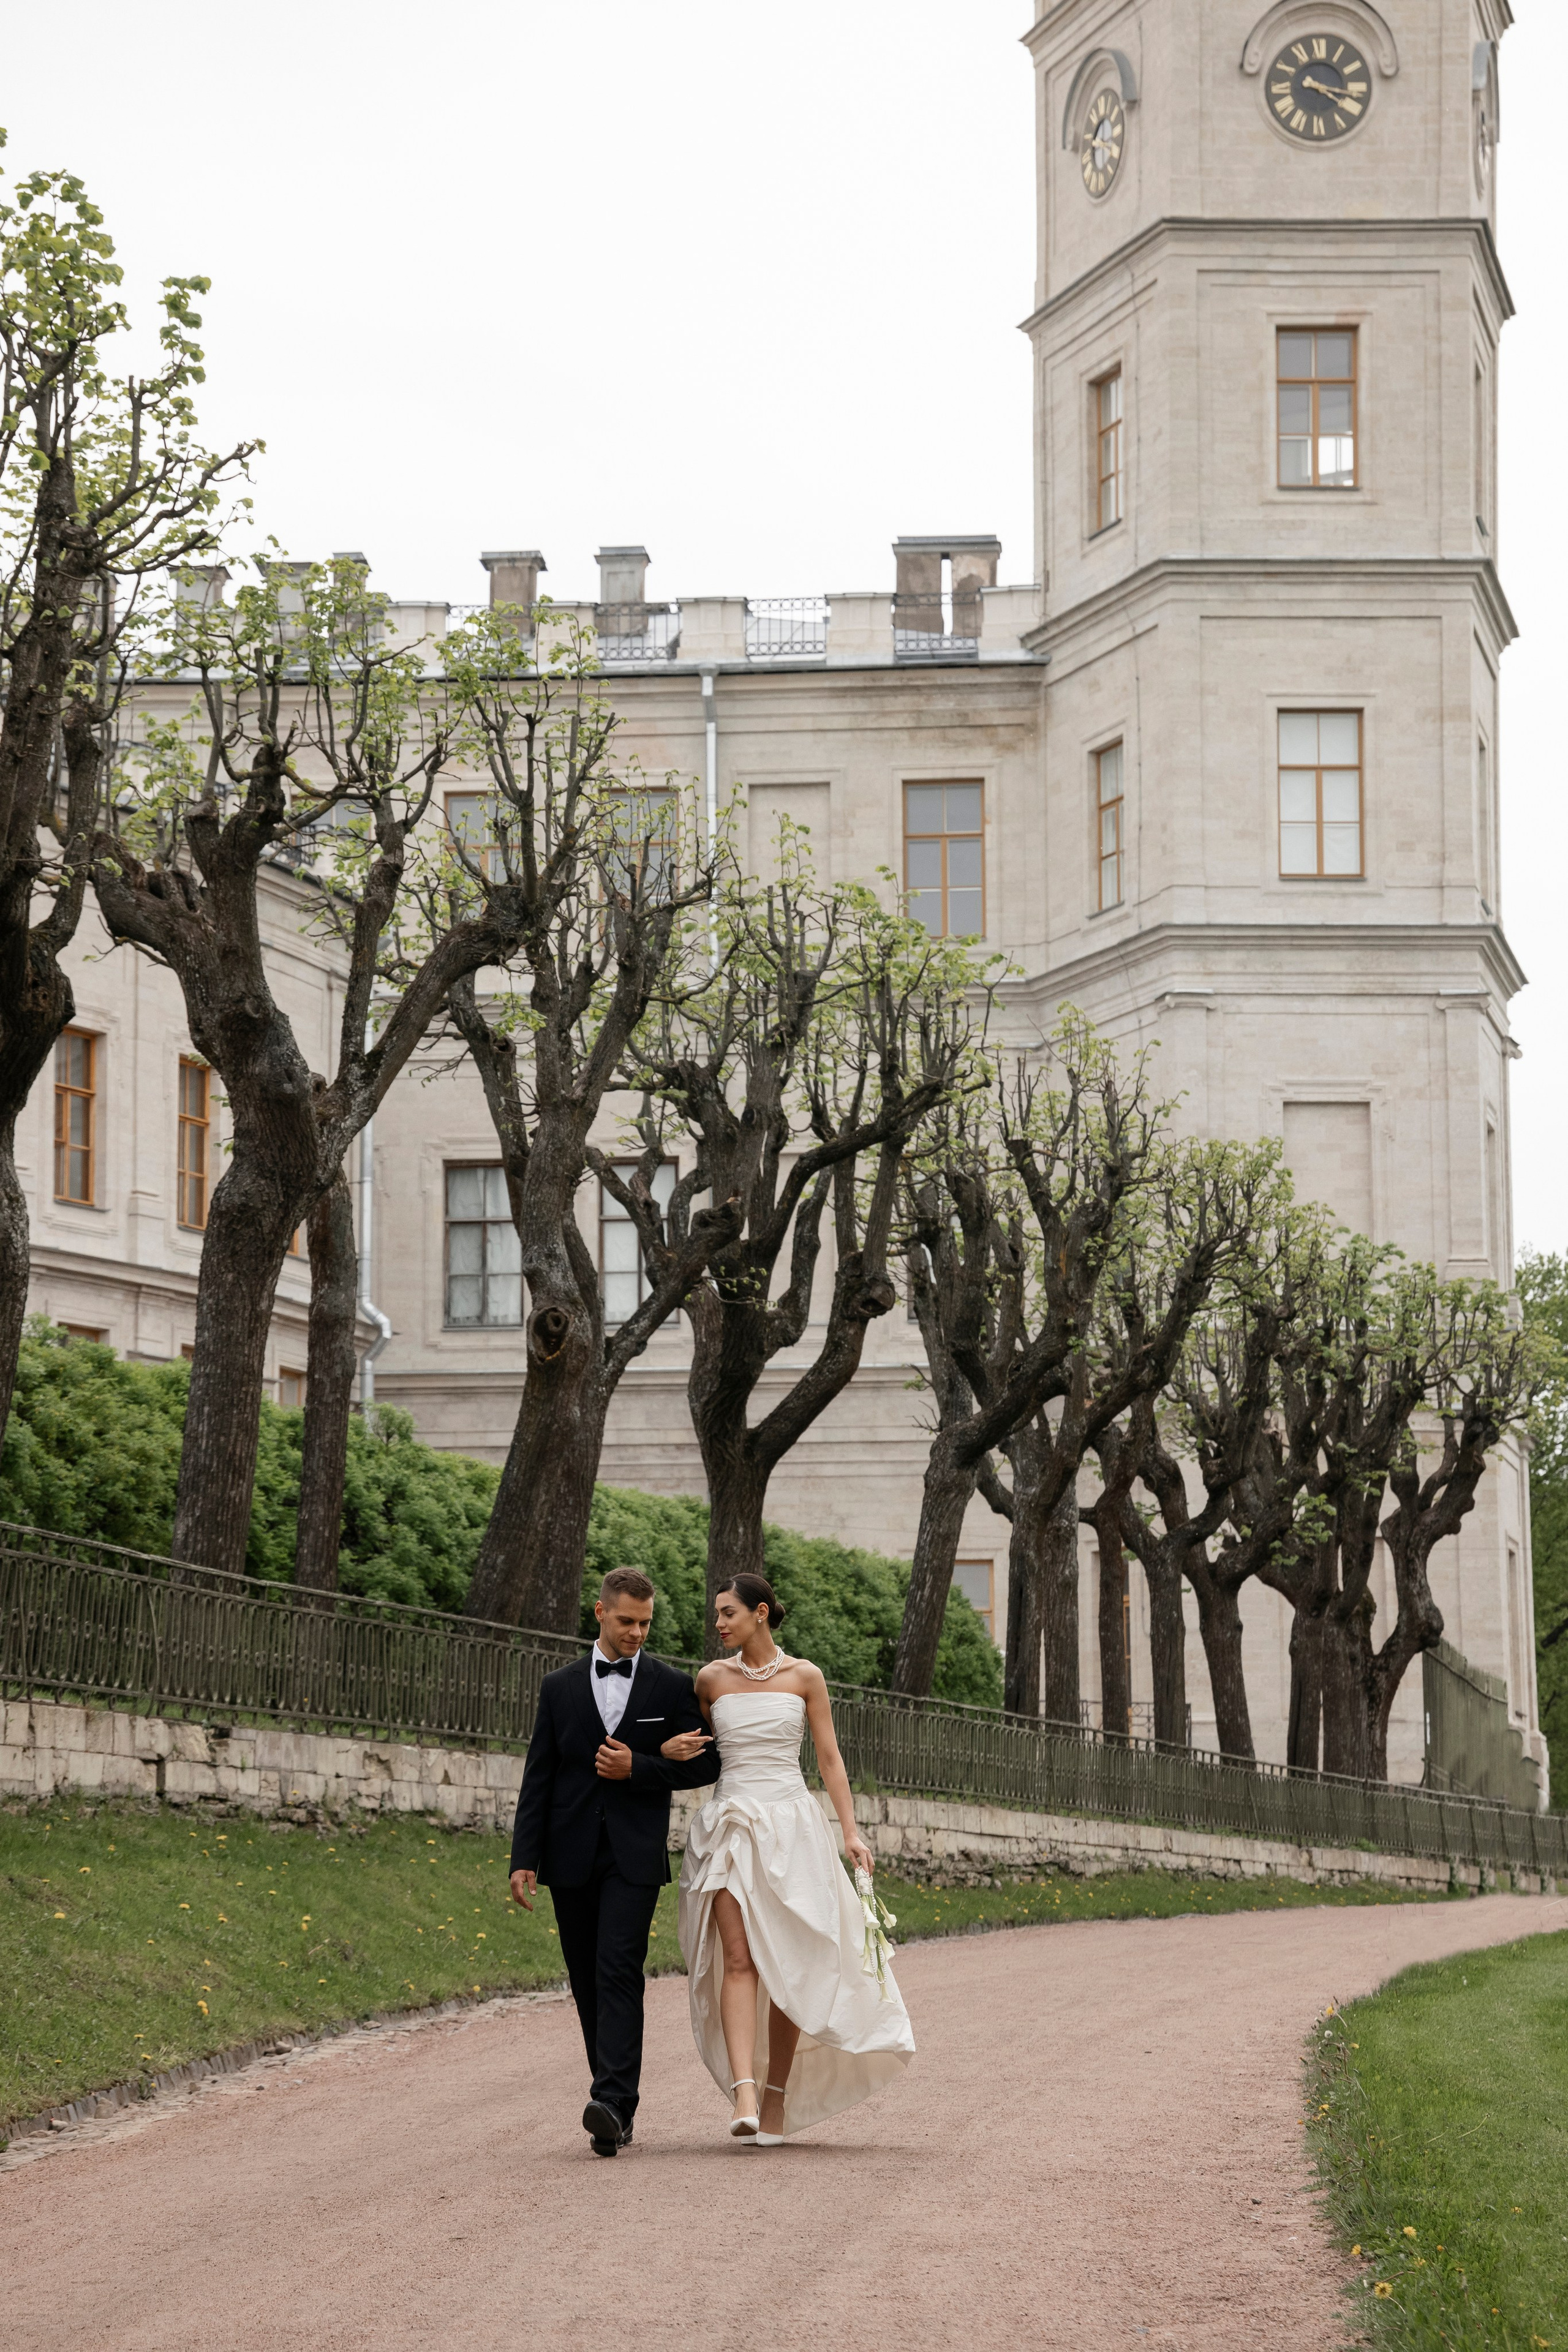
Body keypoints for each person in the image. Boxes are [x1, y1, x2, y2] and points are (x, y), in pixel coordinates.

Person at [668, 1570, 914, 2145]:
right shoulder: (710, 1680)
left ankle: (777, 2095)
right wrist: (663, 1751)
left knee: (788, 1965)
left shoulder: (805, 1677)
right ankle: (745, 2091)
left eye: (727, 1613)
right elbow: (697, 1756)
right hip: (730, 1825)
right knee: (737, 1957)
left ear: (760, 1612)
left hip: (793, 1828)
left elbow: (829, 1759)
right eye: (717, 1614)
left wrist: (851, 1834)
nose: (718, 1623)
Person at [509, 1566, 720, 2157]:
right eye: (627, 1621)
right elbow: (540, 1777)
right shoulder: (559, 1687)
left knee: (618, 1970)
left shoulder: (670, 1686)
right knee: (584, 1978)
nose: (637, 1633)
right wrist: (523, 1858)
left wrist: (644, 1765)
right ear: (599, 1613)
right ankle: (611, 2103)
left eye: (646, 1623)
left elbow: (708, 1765)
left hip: (633, 1855)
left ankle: (613, 2102)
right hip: (568, 1851)